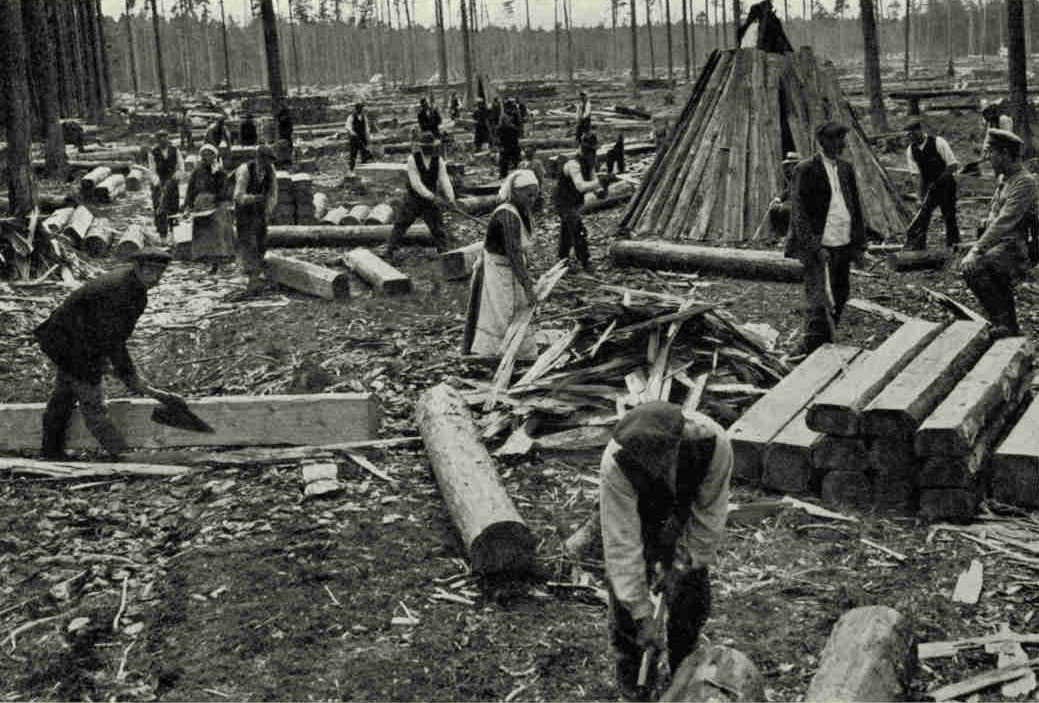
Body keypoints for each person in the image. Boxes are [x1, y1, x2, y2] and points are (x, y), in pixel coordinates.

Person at [600, 401, 732, 701]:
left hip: (685, 517)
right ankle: (633, 680)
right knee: (626, 614)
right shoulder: (617, 462)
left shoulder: (713, 444)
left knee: (690, 599)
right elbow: (622, 545)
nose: (654, 466)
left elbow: (708, 516)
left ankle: (684, 671)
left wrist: (684, 564)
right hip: (639, 516)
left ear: (676, 444)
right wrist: (642, 614)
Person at [33, 250, 183, 461]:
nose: (157, 278)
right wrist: (130, 376)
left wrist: (124, 372)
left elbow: (111, 335)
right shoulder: (121, 291)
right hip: (69, 343)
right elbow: (114, 342)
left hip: (75, 339)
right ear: (138, 267)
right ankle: (122, 455)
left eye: (161, 273)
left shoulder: (135, 288)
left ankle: (50, 450)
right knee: (93, 404)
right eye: (151, 271)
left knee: (63, 396)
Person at [785, 121, 868, 357]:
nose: (840, 143)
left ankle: (825, 342)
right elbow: (798, 213)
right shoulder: (806, 169)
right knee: (818, 298)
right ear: (822, 142)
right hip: (819, 244)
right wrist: (814, 246)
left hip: (842, 241)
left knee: (840, 293)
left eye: (842, 139)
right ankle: (808, 347)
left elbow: (855, 207)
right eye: (834, 139)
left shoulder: (845, 168)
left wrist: (858, 245)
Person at [961, 129, 1038, 338]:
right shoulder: (1005, 179)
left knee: (976, 267)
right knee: (986, 270)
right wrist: (986, 222)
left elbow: (1005, 221)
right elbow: (995, 214)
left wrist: (977, 249)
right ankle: (1006, 325)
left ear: (1005, 153)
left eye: (991, 153)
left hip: (1018, 247)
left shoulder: (1025, 181)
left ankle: (1003, 324)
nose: (988, 158)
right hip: (1001, 244)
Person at [463, 170, 540, 359]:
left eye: (535, 195)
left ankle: (519, 352)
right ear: (515, 192)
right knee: (500, 313)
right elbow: (513, 252)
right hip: (497, 269)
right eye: (528, 195)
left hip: (511, 267)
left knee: (518, 309)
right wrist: (528, 285)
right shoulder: (507, 214)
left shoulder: (522, 211)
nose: (532, 200)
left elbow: (520, 249)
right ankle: (493, 355)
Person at [383, 132, 456, 262]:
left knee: (438, 228)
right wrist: (432, 197)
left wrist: (451, 198)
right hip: (414, 198)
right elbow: (416, 184)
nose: (428, 149)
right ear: (420, 146)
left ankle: (445, 254)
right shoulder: (412, 159)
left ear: (434, 146)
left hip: (430, 201)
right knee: (401, 224)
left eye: (430, 146)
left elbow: (445, 180)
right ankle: (390, 251)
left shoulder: (438, 160)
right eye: (425, 146)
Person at [555, 132, 608, 271]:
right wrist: (598, 183)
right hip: (563, 201)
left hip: (575, 201)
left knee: (567, 229)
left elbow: (592, 179)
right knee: (578, 229)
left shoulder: (589, 162)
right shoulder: (573, 164)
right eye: (590, 150)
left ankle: (562, 258)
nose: (592, 153)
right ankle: (585, 261)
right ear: (583, 148)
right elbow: (581, 186)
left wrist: (600, 190)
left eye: (593, 151)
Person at [904, 120, 960, 250]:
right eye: (908, 135)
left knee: (949, 215)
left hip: (946, 184)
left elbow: (953, 165)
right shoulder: (911, 150)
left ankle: (953, 245)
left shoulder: (938, 142)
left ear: (919, 131)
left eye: (912, 134)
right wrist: (920, 197)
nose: (910, 137)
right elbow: (916, 175)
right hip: (929, 187)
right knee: (923, 215)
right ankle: (919, 247)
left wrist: (938, 181)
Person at [232, 144, 278, 298]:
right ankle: (252, 280)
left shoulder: (271, 171)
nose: (268, 164)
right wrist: (254, 198)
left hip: (260, 212)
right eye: (266, 160)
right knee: (248, 243)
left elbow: (273, 194)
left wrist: (268, 210)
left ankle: (256, 279)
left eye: (270, 161)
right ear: (259, 158)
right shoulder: (245, 170)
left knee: (261, 243)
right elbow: (238, 196)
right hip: (244, 212)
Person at [185, 144, 234, 273]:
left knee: (216, 231)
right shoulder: (197, 171)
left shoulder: (220, 172)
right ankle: (204, 258)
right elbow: (191, 188)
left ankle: (218, 260)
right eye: (204, 154)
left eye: (209, 154)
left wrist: (217, 199)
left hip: (216, 204)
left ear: (214, 156)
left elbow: (226, 189)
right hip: (201, 204)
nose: (206, 157)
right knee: (202, 232)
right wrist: (188, 204)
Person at [146, 130, 185, 242]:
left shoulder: (175, 150)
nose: (163, 140)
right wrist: (158, 183)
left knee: (174, 208)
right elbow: (152, 170)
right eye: (160, 138)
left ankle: (174, 235)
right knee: (160, 208)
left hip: (172, 183)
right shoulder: (153, 152)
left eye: (165, 137)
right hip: (158, 184)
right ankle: (162, 236)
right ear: (157, 140)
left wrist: (174, 178)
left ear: (168, 138)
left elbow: (181, 167)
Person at [767, 151, 802, 242]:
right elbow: (787, 191)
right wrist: (778, 198)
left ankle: (787, 236)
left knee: (785, 209)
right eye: (789, 165)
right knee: (774, 208)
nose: (790, 167)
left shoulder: (805, 176)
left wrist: (789, 203)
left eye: (792, 165)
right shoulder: (794, 177)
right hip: (790, 203)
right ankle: (775, 236)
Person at [498, 99, 523, 179]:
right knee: (508, 159)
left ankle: (508, 174)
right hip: (509, 142)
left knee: (512, 159)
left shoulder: (515, 114)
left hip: (510, 142)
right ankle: (505, 174)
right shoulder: (506, 117)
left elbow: (519, 127)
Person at [346, 102, 372, 174]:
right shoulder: (351, 117)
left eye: (361, 108)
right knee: (353, 155)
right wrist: (352, 133)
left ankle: (365, 169)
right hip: (354, 139)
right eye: (359, 108)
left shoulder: (364, 117)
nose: (360, 110)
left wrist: (368, 136)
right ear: (356, 109)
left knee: (364, 153)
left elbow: (366, 128)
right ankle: (351, 170)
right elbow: (348, 127)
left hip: (362, 137)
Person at [518, 145, 546, 211]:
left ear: (533, 153)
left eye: (530, 152)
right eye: (526, 152)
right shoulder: (521, 164)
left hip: (534, 187)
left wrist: (538, 188)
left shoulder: (537, 163)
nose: (528, 153)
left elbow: (540, 177)